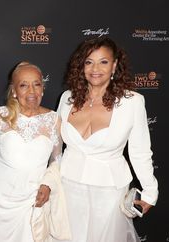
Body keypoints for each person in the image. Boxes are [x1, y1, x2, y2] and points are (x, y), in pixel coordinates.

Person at [56, 37, 158, 242]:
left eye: (103, 61)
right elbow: (55, 146)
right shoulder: (67, 98)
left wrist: (150, 191)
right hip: (67, 186)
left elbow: (140, 152)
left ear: (114, 65)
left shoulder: (132, 102)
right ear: (81, 66)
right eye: (89, 62)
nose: (95, 68)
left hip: (109, 191)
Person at [0, 62, 65, 242]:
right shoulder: (1, 115)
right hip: (1, 196)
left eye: (36, 84)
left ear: (42, 88)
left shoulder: (53, 120)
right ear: (14, 90)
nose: (31, 91)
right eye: (23, 85)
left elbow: (57, 160)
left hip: (35, 195)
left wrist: (47, 184)